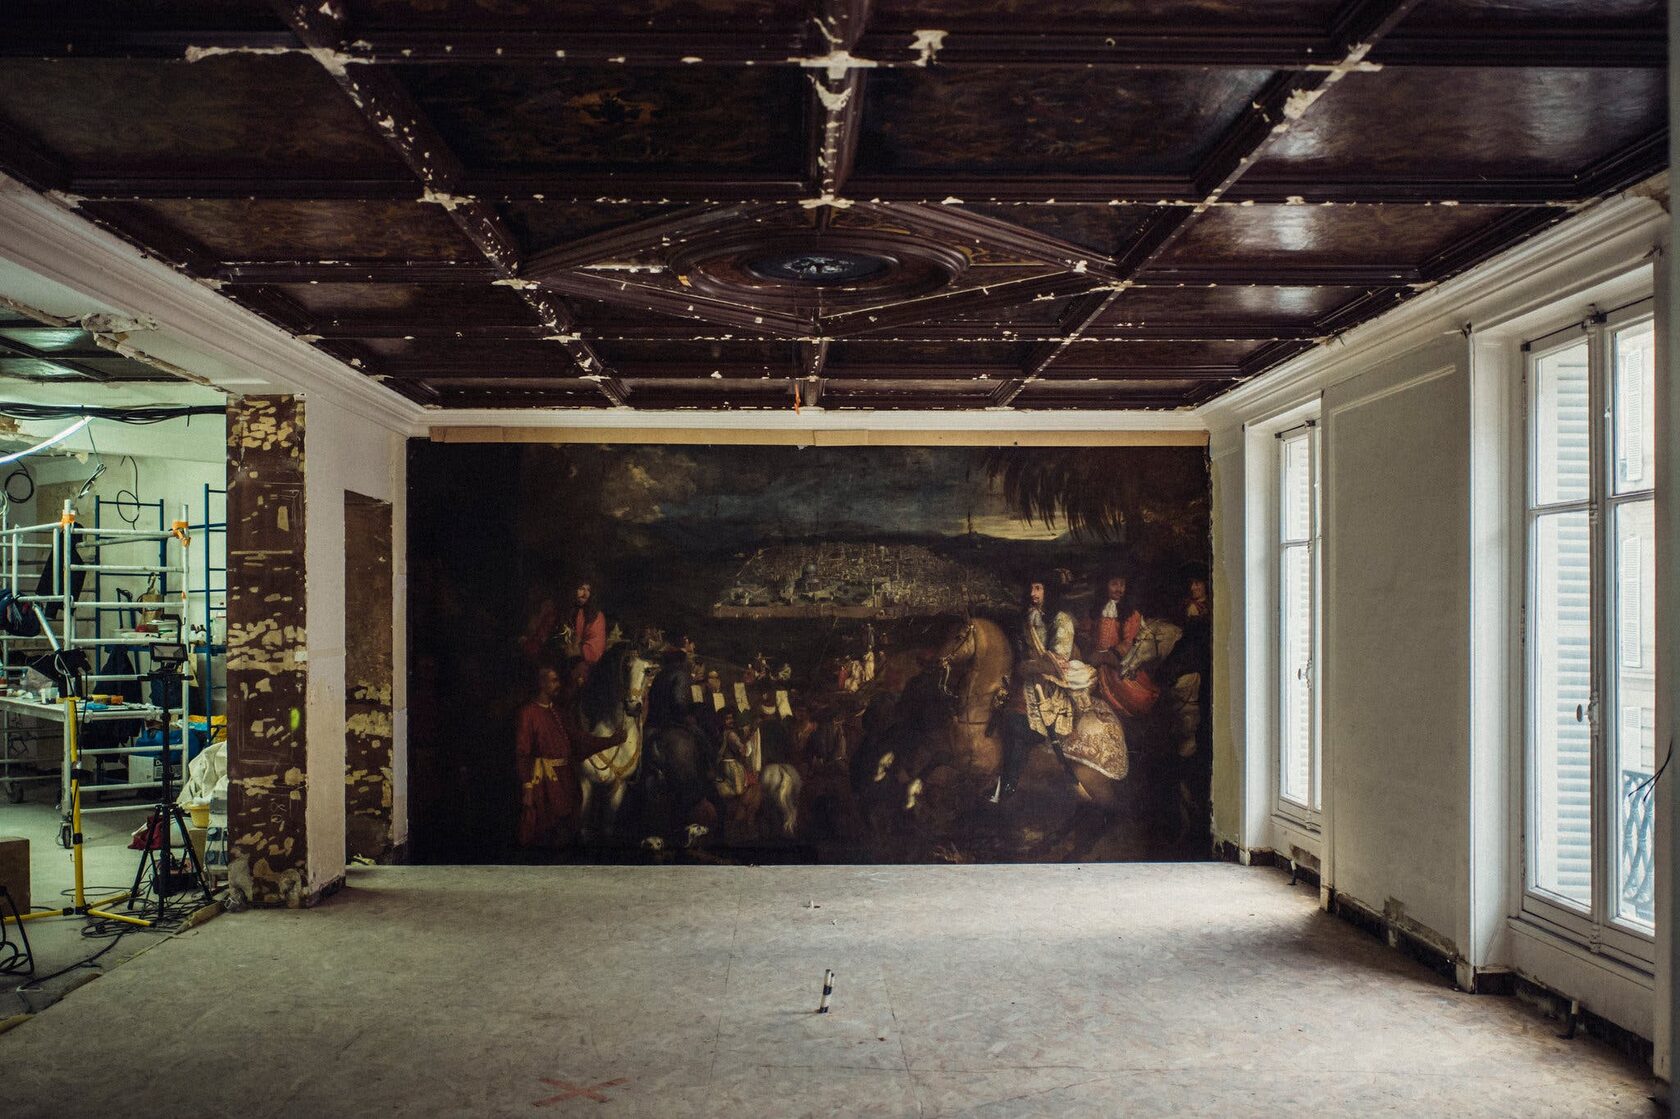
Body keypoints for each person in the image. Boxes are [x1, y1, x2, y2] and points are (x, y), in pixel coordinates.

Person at [995, 577, 1078, 800]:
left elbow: (1056, 664)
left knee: (1017, 723)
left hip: (1051, 686)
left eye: (1039, 588)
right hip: (1024, 681)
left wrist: (1027, 667)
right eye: (1031, 588)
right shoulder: (1026, 618)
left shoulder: (1061, 620)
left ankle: (1010, 784)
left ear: (1048, 591)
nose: (1033, 593)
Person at [515, 665, 580, 849]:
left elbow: (576, 740)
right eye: (554, 681)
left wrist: (610, 741)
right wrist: (527, 787)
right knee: (545, 830)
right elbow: (522, 753)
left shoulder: (557, 711)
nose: (558, 685)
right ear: (542, 684)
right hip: (543, 781)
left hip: (565, 777)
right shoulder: (528, 713)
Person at [1087, 570, 1162, 717]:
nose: (1119, 589)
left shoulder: (1131, 614)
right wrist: (1090, 651)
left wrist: (1106, 656)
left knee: (1134, 698)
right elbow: (1086, 632)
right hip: (1095, 663)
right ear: (1105, 585)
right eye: (1114, 584)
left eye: (1122, 585)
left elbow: (1129, 643)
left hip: (1118, 665)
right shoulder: (1097, 610)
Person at [564, 581, 607, 682]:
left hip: (584, 665)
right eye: (581, 589)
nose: (585, 594)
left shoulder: (596, 615)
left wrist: (577, 650)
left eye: (588, 590)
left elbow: (596, 646)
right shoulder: (565, 611)